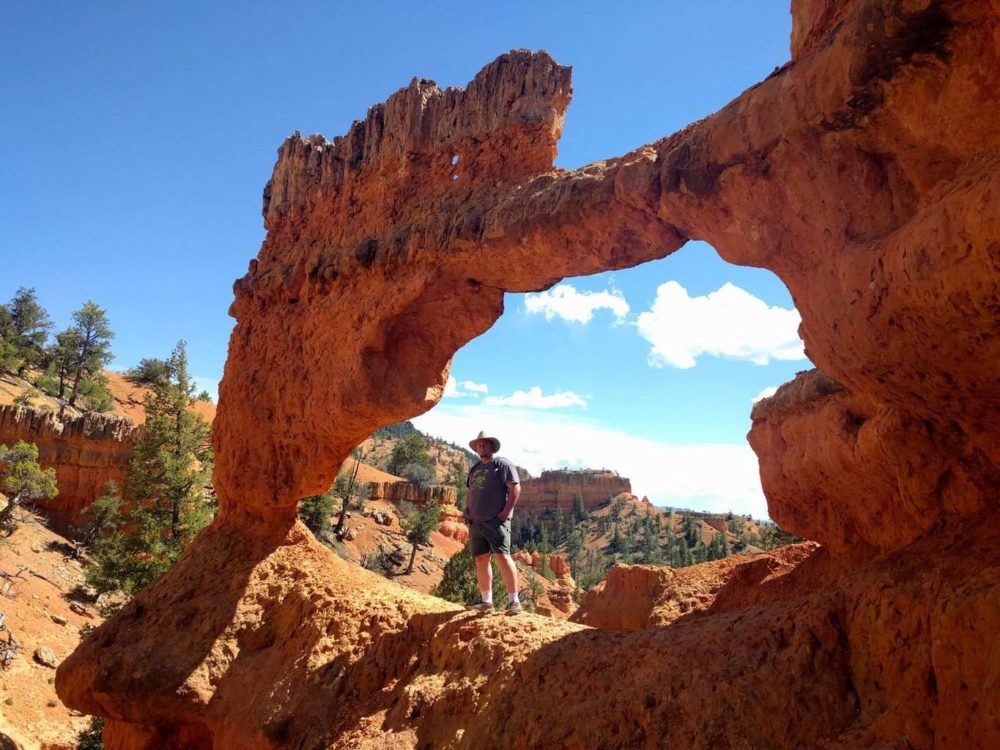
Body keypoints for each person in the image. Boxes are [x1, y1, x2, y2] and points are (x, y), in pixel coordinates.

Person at [464, 430, 522, 614]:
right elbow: (470, 491)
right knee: (481, 559)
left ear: (492, 446)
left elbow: (515, 488)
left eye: (485, 444)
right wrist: (468, 510)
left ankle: (514, 602)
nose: (482, 447)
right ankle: (486, 602)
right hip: (476, 521)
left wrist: (506, 512)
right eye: (479, 445)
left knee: (502, 556)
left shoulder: (502, 464)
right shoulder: (475, 469)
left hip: (495, 520)